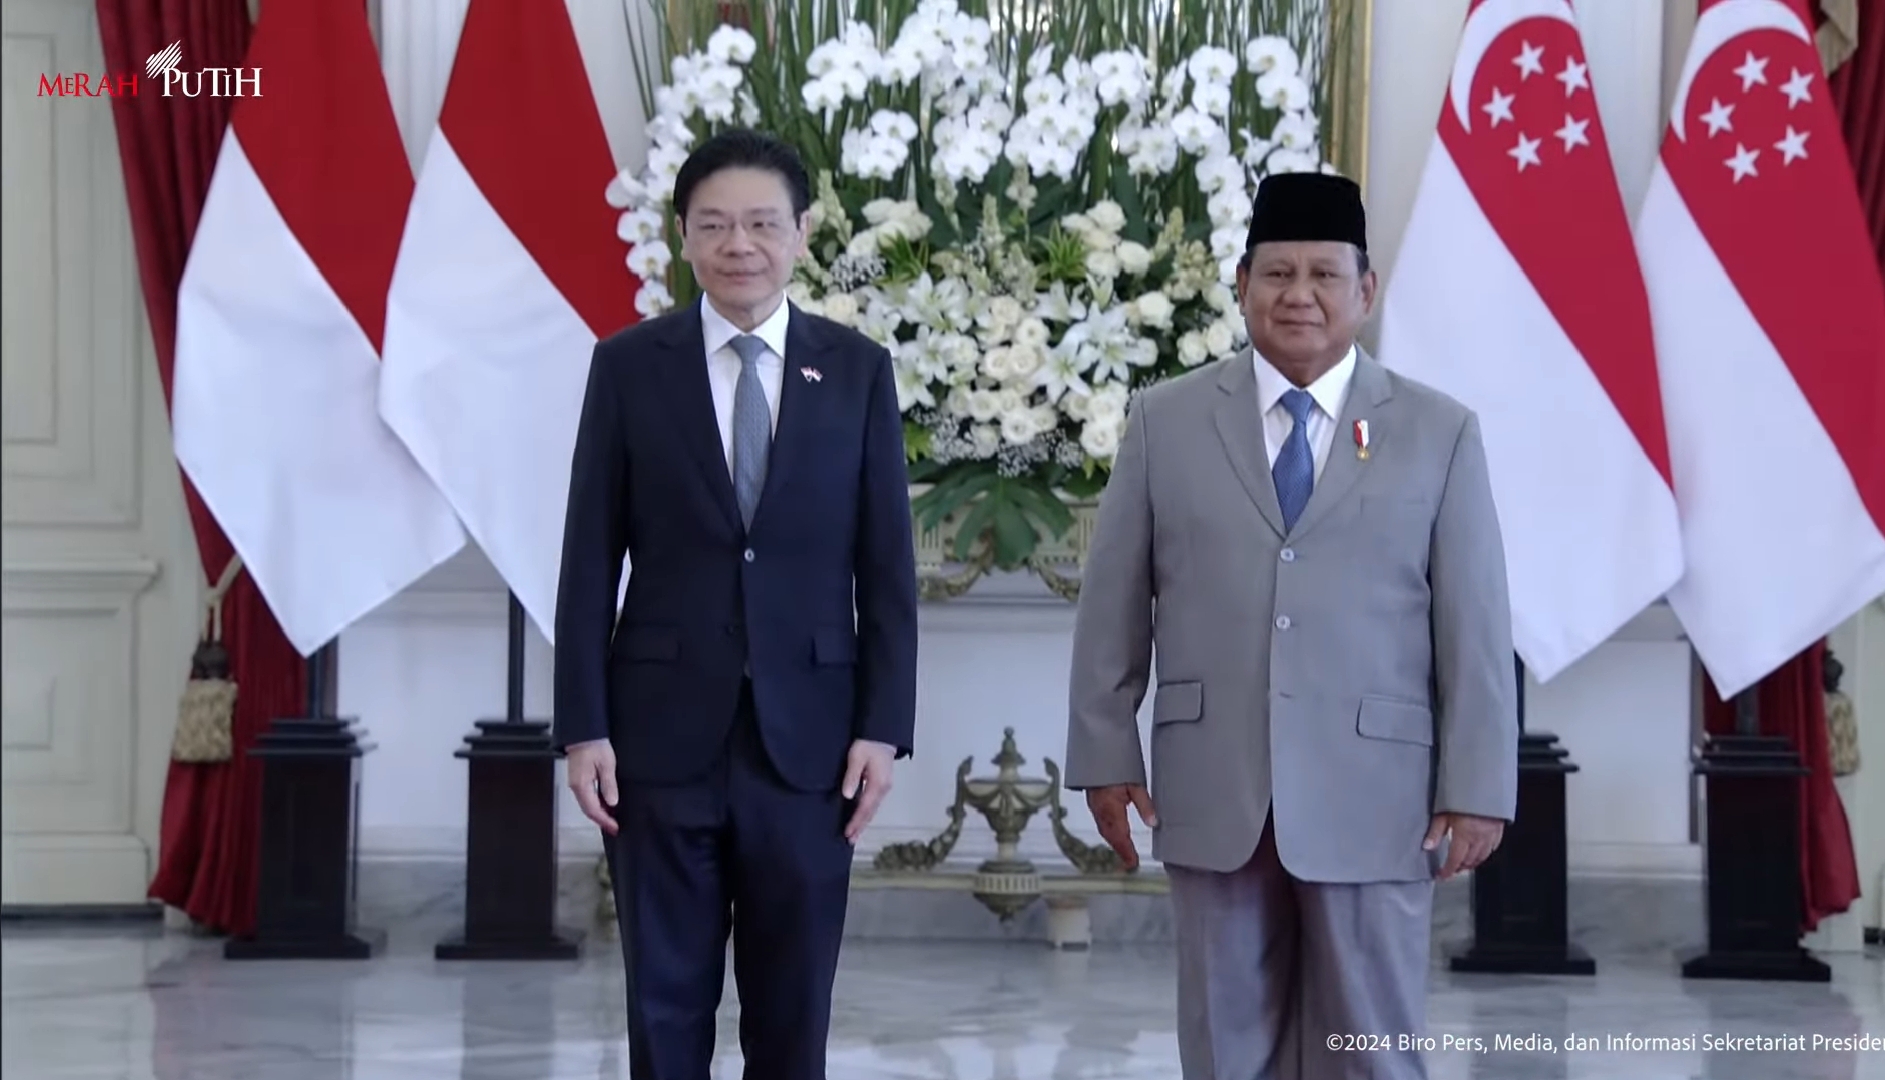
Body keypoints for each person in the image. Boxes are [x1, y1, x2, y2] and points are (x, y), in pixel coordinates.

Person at [1063, 171, 1518, 1080]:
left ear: (1364, 291)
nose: (1298, 296)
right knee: (1227, 1044)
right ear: (1240, 287)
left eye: (1321, 274)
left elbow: (1472, 623)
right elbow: (1112, 606)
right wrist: (1106, 755)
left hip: (1375, 792)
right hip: (1213, 785)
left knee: (1372, 1043)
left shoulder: (1437, 431)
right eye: (1275, 274)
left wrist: (1478, 781)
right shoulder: (1166, 420)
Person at [553, 128, 919, 1078]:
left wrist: (883, 728)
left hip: (810, 747)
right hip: (656, 740)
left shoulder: (855, 370)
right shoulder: (630, 366)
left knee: (792, 1010)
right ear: (682, 236)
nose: (738, 244)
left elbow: (884, 567)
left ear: (800, 233)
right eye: (713, 224)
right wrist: (582, 727)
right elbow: (589, 559)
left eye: (761, 222)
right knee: (663, 1005)